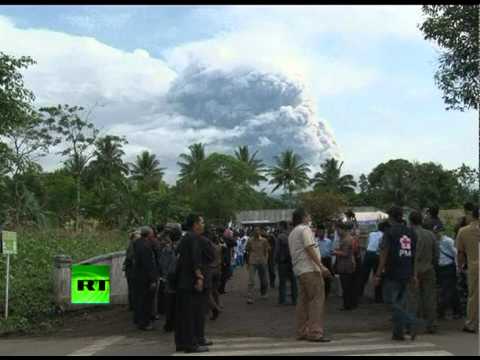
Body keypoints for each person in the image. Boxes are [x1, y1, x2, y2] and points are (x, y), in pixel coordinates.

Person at [375, 206, 418, 341]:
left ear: (391, 217)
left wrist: (377, 274)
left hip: (393, 272)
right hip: (407, 271)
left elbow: (384, 253)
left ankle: (410, 321)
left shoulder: (389, 232)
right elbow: (414, 255)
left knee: (389, 301)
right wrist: (414, 274)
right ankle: (398, 333)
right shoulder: (411, 232)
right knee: (400, 302)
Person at [289, 208, 331, 343]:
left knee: (303, 302)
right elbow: (309, 248)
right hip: (310, 269)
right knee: (317, 300)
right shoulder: (305, 229)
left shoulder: (293, 232)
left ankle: (302, 331)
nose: (310, 217)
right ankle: (315, 332)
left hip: (300, 270)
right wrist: (321, 266)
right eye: (308, 215)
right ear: (303, 217)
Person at [175, 214, 215, 353]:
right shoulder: (193, 238)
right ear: (195, 224)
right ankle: (191, 344)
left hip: (183, 281)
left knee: (185, 314)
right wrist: (199, 277)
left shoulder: (186, 238)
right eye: (202, 222)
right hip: (190, 281)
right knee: (191, 315)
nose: (203, 225)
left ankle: (182, 342)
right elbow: (194, 260)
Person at [409, 211, 438, 334]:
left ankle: (412, 327)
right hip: (428, 268)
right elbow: (436, 254)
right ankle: (431, 325)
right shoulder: (430, 234)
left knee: (412, 298)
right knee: (430, 298)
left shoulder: (409, 234)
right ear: (421, 220)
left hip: (412, 270)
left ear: (410, 221)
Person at [456, 205, 479, 334]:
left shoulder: (463, 231)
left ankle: (471, 324)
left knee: (474, 296)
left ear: (472, 216)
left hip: (475, 267)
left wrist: (460, 267)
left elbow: (460, 253)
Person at [133, 226, 160, 331]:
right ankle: (145, 323)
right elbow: (148, 264)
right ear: (149, 234)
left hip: (138, 276)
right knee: (146, 301)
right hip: (145, 278)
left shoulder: (137, 243)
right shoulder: (146, 246)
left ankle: (139, 320)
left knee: (140, 300)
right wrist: (153, 279)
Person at [434, 223, 462, 321]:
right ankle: (457, 311)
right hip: (440, 269)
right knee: (451, 291)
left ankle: (441, 312)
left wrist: (458, 268)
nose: (437, 234)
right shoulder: (435, 241)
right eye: (435, 232)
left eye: (438, 231)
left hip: (449, 268)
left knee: (446, 291)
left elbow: (456, 253)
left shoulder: (448, 241)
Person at [360, 221, 389, 303]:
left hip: (368, 254)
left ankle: (359, 294)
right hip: (377, 255)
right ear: (385, 228)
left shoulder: (372, 233)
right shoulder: (385, 235)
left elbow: (367, 244)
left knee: (364, 275)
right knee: (378, 275)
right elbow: (382, 246)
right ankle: (378, 297)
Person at [334, 221, 357, 311]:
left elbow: (345, 253)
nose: (338, 232)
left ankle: (347, 305)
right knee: (348, 286)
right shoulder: (348, 238)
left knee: (346, 286)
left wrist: (335, 252)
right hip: (347, 265)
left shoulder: (346, 240)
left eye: (338, 230)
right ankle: (350, 304)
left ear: (343, 230)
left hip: (346, 266)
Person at [246, 226, 270, 304]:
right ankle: (250, 297)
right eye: (255, 231)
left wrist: (266, 260)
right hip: (252, 261)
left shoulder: (264, 241)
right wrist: (248, 262)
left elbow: (267, 251)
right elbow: (247, 250)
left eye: (258, 230)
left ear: (260, 231)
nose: (256, 232)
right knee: (251, 280)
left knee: (264, 280)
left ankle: (263, 293)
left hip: (262, 261)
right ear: (253, 232)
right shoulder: (250, 241)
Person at [275, 221, 297, 305]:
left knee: (282, 282)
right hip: (292, 261)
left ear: (281, 227)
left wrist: (275, 260)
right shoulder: (292, 235)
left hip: (283, 261)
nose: (278, 228)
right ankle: (295, 299)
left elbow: (277, 250)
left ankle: (282, 300)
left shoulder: (280, 236)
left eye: (278, 226)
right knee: (293, 281)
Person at [123, 229, 140, 312]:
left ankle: (132, 305)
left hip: (129, 271)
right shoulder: (133, 246)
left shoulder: (131, 245)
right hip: (131, 271)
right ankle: (133, 306)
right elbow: (131, 258)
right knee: (133, 289)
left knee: (132, 289)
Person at [316, 225, 333, 298]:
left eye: (322, 232)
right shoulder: (315, 241)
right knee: (319, 277)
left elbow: (331, 252)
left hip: (327, 260)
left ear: (324, 232)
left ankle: (326, 293)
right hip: (319, 260)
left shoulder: (329, 241)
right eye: (319, 232)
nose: (321, 233)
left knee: (327, 278)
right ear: (317, 232)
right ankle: (319, 293)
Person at [219, 228, 236, 294]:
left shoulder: (222, 239)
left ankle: (221, 289)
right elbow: (234, 243)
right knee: (225, 275)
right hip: (224, 260)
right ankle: (221, 289)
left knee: (225, 275)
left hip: (223, 260)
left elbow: (234, 243)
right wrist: (229, 237)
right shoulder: (225, 239)